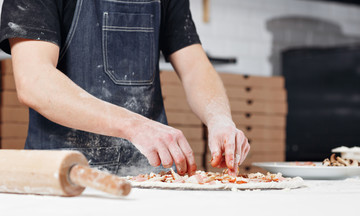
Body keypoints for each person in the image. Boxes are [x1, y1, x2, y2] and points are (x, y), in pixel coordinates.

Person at [0, 0, 250, 176]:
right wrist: (134, 126)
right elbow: (34, 81)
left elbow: (195, 66)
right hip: (64, 177)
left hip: (150, 179)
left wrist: (220, 120)